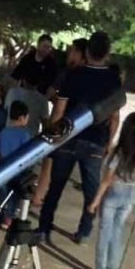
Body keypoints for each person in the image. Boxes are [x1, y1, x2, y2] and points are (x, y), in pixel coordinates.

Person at [38, 31, 122, 245]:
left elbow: (59, 110)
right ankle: (84, 232)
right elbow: (114, 117)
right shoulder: (113, 79)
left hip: (68, 137)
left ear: (87, 51)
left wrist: (51, 136)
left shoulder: (74, 75)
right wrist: (109, 143)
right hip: (95, 141)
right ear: (108, 53)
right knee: (91, 191)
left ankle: (43, 229)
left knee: (55, 187)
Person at [87, 112, 135, 269]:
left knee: (105, 232)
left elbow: (107, 179)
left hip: (114, 193)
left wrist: (95, 201)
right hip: (130, 194)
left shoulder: (118, 152)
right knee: (117, 233)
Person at [34, 37, 89, 206]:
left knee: (49, 162)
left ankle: (39, 196)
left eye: (72, 50)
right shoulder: (89, 76)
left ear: (80, 54)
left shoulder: (68, 74)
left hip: (61, 126)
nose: (68, 54)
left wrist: (50, 127)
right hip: (81, 127)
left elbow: (54, 99)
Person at [0, 100, 33, 228]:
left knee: (3, 193)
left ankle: (0, 216)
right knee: (14, 195)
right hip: (18, 170)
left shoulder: (4, 132)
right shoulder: (25, 134)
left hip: (4, 167)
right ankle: (8, 219)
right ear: (22, 118)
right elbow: (27, 154)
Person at [5, 74, 49, 139]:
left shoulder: (12, 92)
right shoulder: (42, 99)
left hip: (8, 136)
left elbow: (6, 110)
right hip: (30, 141)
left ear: (23, 80)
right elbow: (45, 123)